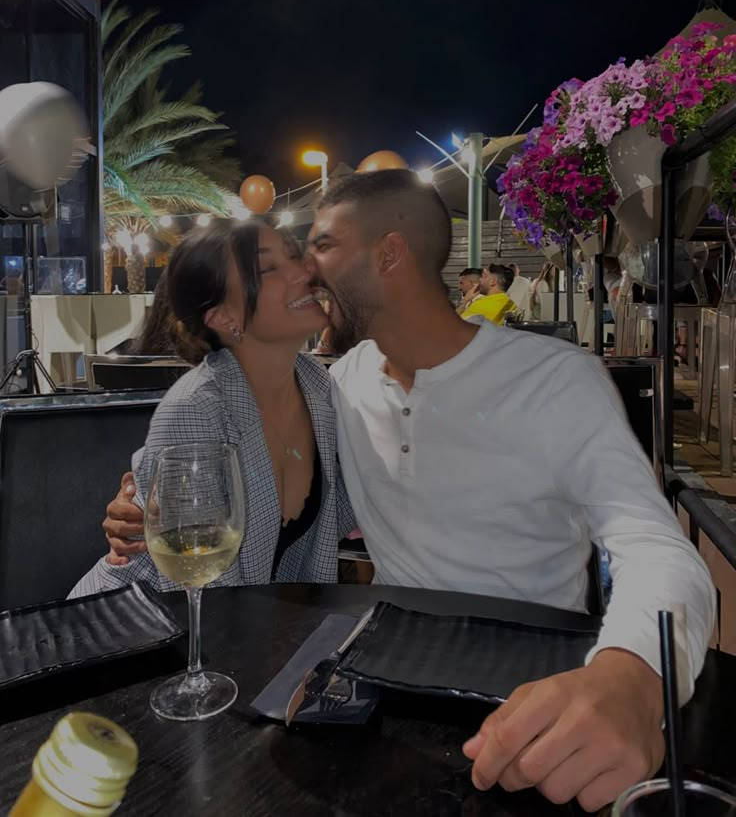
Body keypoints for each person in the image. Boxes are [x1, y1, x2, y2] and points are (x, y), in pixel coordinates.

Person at [104, 172, 715, 813]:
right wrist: (141, 514)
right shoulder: (344, 384)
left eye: (321, 244)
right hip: (383, 684)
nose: (307, 269)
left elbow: (657, 548)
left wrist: (631, 674)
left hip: (531, 687)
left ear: (388, 255)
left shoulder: (557, 382)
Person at [70, 217, 355, 596]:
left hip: (260, 619)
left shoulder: (315, 383)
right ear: (225, 318)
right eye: (270, 269)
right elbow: (203, 583)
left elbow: (331, 515)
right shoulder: (199, 406)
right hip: (147, 623)